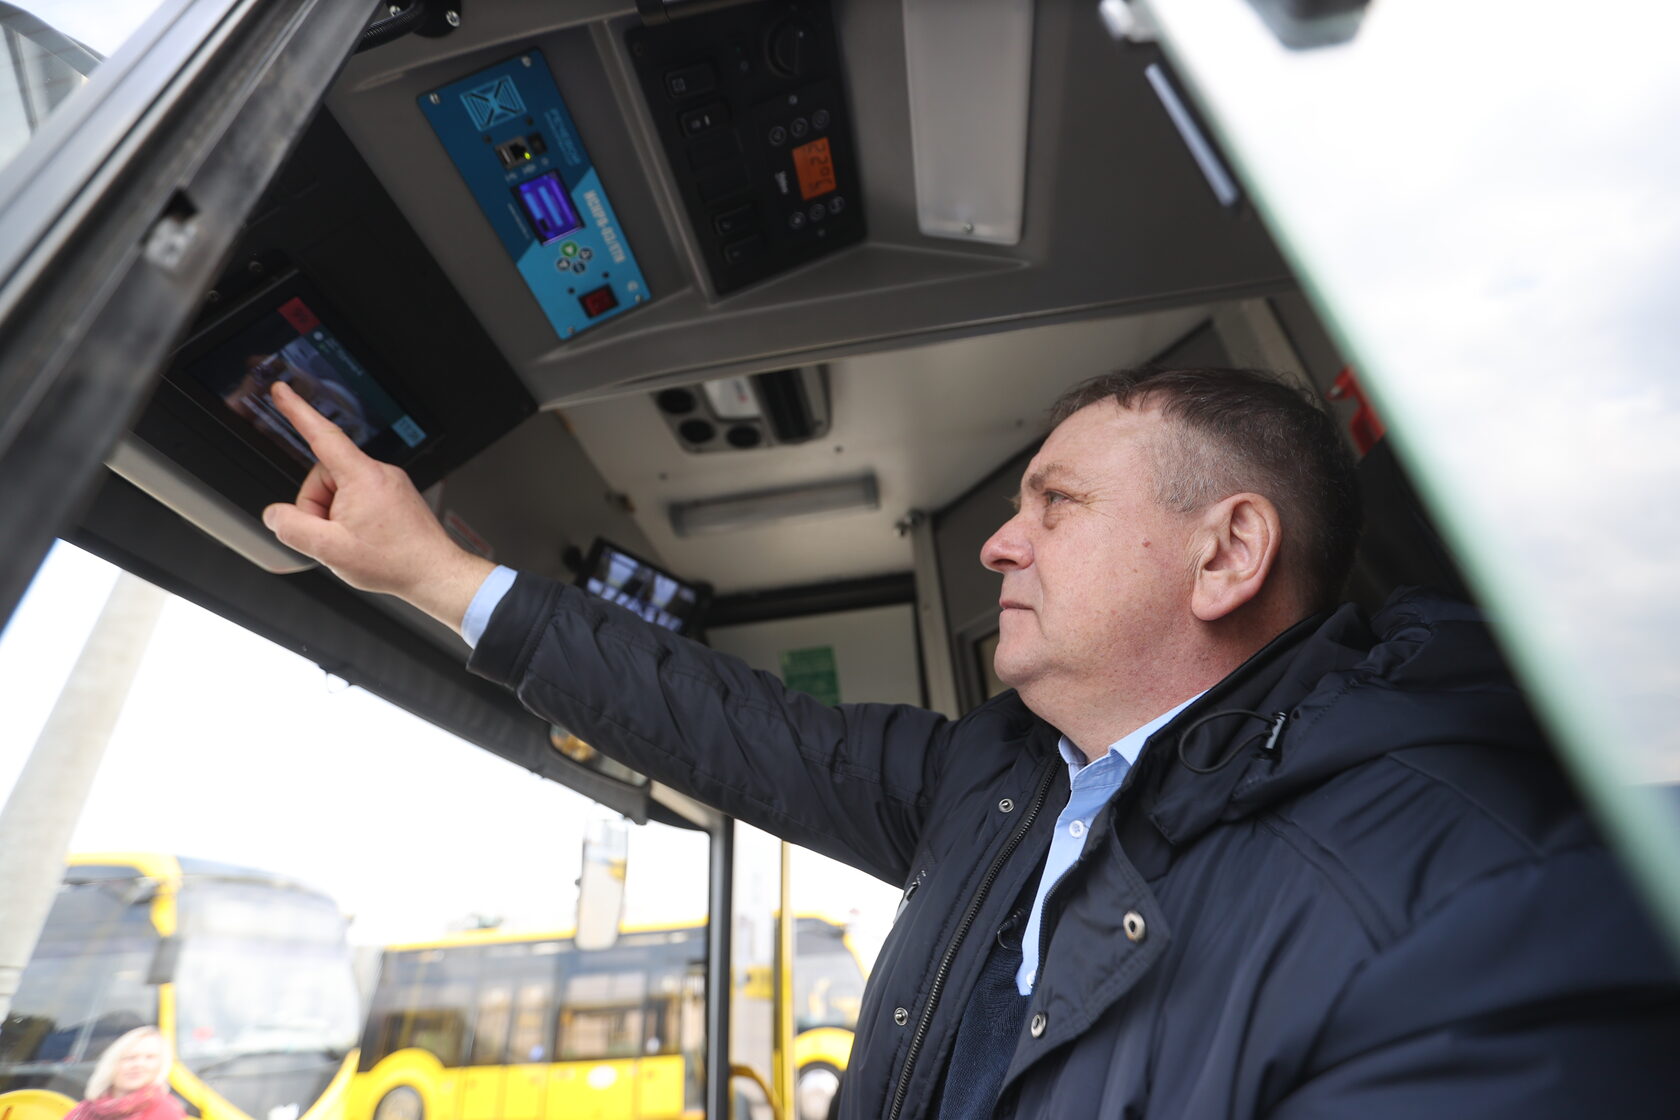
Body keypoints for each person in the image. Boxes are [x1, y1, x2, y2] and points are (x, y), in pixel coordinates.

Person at [261, 370, 1680, 1118]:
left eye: (1056, 504)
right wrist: (436, 574)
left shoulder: (1464, 895)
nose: (1001, 542)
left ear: (1226, 553)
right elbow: (738, 730)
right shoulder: (996, 780)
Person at [67, 1027, 183, 1120]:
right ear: (111, 1064)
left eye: (149, 1058)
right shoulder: (85, 1109)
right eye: (130, 1058)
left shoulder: (166, 1111)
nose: (139, 1065)